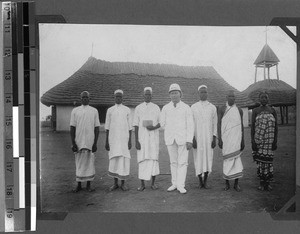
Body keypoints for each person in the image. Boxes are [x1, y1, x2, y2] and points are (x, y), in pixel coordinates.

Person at [160, 83, 194, 194]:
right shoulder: (165, 108)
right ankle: (174, 183)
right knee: (173, 162)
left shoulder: (186, 107)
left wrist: (189, 140)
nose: (174, 95)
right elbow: (162, 123)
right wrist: (171, 130)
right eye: (172, 93)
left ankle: (181, 185)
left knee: (183, 162)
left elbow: (190, 125)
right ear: (169, 95)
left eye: (176, 93)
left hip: (183, 139)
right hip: (170, 139)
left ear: (180, 94)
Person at [70, 91, 100, 192]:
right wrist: (73, 142)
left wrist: (95, 143)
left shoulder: (94, 111)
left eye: (87, 97)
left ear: (89, 99)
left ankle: (88, 185)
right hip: (78, 141)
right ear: (80, 99)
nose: (85, 99)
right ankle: (78, 185)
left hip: (89, 141)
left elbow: (96, 128)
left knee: (89, 162)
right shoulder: (75, 111)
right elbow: (72, 127)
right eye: (83, 97)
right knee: (79, 162)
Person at [133, 87, 161, 191]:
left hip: (153, 139)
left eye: (149, 95)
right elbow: (135, 125)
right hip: (142, 139)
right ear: (143, 95)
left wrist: (153, 127)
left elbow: (161, 122)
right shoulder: (138, 108)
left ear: (151, 96)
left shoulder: (156, 108)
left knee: (153, 160)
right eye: (146, 94)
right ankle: (142, 184)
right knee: (142, 160)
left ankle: (153, 183)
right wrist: (136, 141)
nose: (148, 96)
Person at [105, 89, 132, 191]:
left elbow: (130, 128)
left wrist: (130, 141)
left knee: (123, 161)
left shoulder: (127, 110)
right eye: (116, 96)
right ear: (114, 97)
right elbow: (107, 127)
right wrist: (106, 141)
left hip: (124, 140)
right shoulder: (110, 110)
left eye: (120, 97)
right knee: (114, 160)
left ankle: (123, 183)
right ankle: (115, 183)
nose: (118, 98)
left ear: (122, 98)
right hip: (113, 140)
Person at [191, 85, 217, 189]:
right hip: (197, 138)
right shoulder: (193, 107)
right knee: (198, 158)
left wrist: (214, 138)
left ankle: (205, 181)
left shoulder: (212, 107)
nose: (203, 94)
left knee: (208, 158)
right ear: (198, 94)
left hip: (208, 139)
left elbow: (215, 123)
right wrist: (193, 138)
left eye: (205, 92)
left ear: (207, 93)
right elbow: (191, 124)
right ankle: (200, 181)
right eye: (201, 92)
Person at [218, 90, 244, 192]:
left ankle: (236, 184)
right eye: (229, 96)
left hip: (236, 139)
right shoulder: (222, 109)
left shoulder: (239, 110)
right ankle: (227, 183)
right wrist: (219, 139)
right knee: (227, 161)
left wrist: (242, 141)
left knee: (237, 161)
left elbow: (241, 126)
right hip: (226, 139)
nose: (231, 98)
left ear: (235, 98)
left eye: (233, 96)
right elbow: (219, 124)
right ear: (226, 97)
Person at [251, 91, 278, 191]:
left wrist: (275, 141)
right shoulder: (255, 111)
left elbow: (276, 127)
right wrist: (253, 142)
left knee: (268, 163)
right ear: (259, 99)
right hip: (259, 142)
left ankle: (268, 183)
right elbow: (253, 128)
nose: (264, 99)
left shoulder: (272, 110)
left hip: (269, 141)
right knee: (261, 163)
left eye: (265, 97)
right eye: (262, 97)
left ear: (268, 99)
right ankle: (262, 183)